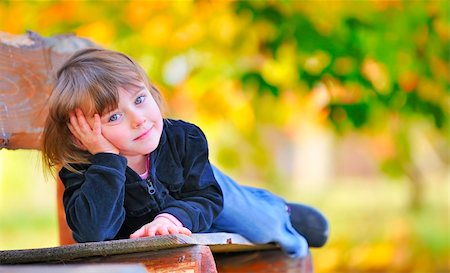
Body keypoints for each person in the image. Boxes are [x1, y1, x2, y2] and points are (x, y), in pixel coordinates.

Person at [42, 48, 328, 258]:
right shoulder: (83, 172)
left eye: (140, 99)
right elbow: (93, 235)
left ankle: (283, 212)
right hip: (184, 221)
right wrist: (107, 161)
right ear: (82, 137)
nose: (138, 119)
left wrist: (172, 218)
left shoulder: (183, 138)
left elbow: (205, 196)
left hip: (199, 200)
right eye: (114, 117)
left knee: (260, 224)